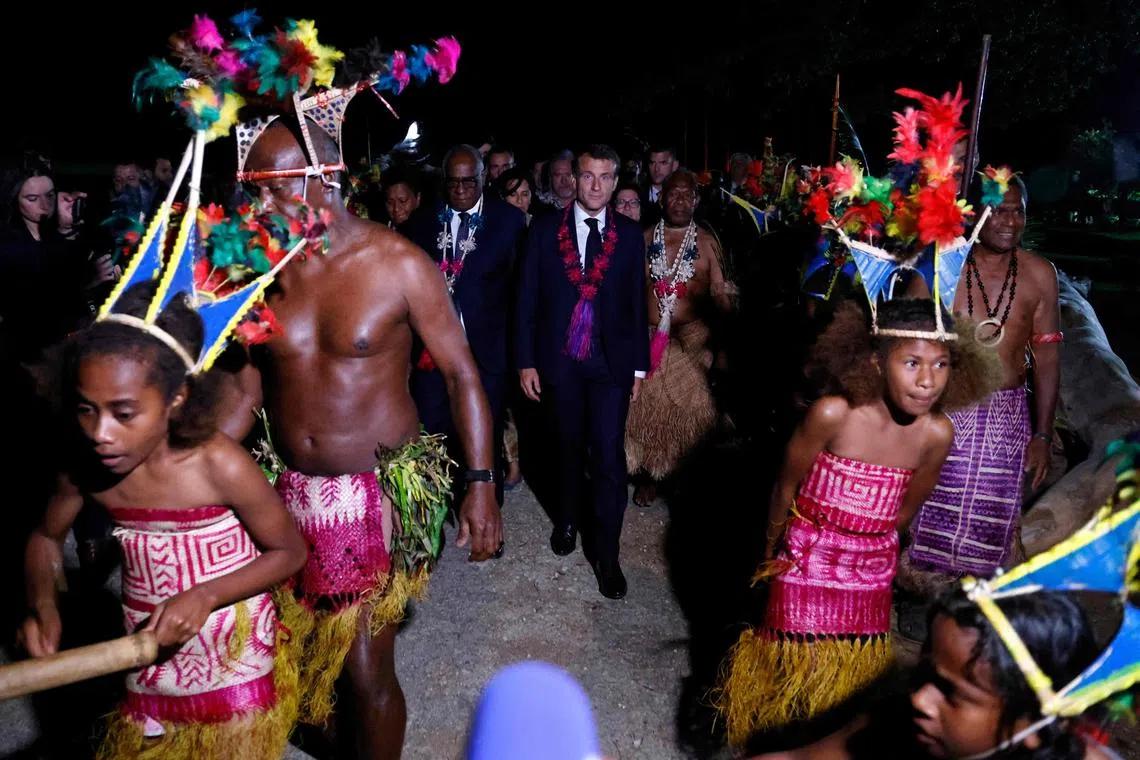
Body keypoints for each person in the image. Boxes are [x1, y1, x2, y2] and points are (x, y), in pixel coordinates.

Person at [226, 27, 500, 759]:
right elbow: (245, 390)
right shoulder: (264, 271)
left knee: (365, 664)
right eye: (248, 190)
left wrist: (480, 485)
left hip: (378, 492)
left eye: (269, 189)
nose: (254, 208)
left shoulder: (398, 265)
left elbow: (464, 373)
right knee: (303, 655)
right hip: (290, 493)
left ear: (323, 179)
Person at [21, 280, 308, 760]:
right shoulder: (85, 465)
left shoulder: (220, 464)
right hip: (146, 646)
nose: (99, 433)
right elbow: (46, 539)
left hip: (229, 646)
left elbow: (290, 551)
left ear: (176, 398)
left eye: (123, 413)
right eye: (86, 410)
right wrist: (44, 604)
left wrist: (205, 595)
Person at [717, 298, 999, 743]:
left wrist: (870, 551)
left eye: (941, 365)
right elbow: (784, 489)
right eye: (911, 362)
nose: (927, 381)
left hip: (869, 573)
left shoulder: (936, 434)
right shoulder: (834, 413)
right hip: (805, 559)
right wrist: (770, 556)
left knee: (846, 691)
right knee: (790, 675)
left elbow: (902, 514)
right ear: (875, 361)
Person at [901, 172, 1062, 605]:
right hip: (944, 409)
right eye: (997, 210)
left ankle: (973, 607)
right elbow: (901, 344)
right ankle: (924, 598)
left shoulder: (1040, 274)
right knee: (930, 509)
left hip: (1008, 416)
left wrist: (1042, 435)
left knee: (992, 519)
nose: (1009, 221)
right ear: (974, 215)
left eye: (1018, 210)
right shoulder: (941, 266)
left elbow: (1047, 358)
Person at [748, 589, 1117, 760]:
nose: (919, 698)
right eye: (927, 672)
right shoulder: (898, 724)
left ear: (1032, 722)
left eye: (951, 691)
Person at [516, 144, 649, 599]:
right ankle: (568, 519)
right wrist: (526, 360)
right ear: (573, 178)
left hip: (610, 364)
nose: (595, 185)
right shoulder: (543, 229)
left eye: (605, 177)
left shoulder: (631, 235)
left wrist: (637, 367)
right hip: (560, 361)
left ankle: (607, 555)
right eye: (587, 176)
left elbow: (636, 304)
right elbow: (527, 298)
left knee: (609, 456)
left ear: (616, 182)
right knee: (567, 447)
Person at [407, 144, 527, 508]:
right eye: (453, 182)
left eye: (468, 182)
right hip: (432, 353)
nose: (460, 190)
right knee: (435, 430)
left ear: (482, 179)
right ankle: (442, 510)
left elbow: (520, 292)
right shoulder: (422, 222)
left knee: (483, 434)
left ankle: (490, 517)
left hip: (486, 352)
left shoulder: (508, 221)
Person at [626, 169, 734, 507]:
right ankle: (648, 475)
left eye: (687, 195)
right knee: (641, 408)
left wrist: (724, 347)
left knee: (693, 412)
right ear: (660, 197)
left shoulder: (706, 241)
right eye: (673, 194)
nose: (680, 200)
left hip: (693, 338)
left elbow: (721, 297)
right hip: (647, 337)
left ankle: (678, 477)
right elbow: (628, 293)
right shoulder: (643, 239)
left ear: (696, 200)